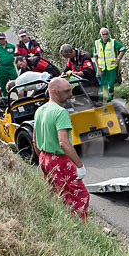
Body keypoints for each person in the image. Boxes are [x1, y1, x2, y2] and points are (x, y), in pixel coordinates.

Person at [32, 77, 89, 222]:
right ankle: (79, 228)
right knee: (80, 195)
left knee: (57, 194)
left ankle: (61, 223)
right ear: (54, 91)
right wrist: (79, 165)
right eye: (66, 91)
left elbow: (35, 140)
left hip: (45, 157)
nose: (70, 94)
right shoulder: (60, 112)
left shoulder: (40, 110)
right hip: (60, 160)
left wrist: (42, 159)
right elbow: (63, 142)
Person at [93, 27, 126, 101]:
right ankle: (100, 98)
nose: (105, 36)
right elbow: (95, 56)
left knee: (110, 84)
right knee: (100, 84)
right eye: (103, 34)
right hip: (101, 68)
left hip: (111, 67)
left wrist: (118, 59)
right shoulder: (97, 43)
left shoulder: (113, 42)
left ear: (108, 34)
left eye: (106, 34)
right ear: (100, 35)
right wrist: (97, 68)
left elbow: (123, 49)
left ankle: (110, 96)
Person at [0, 32, 17, 96]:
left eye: (2, 39)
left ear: (5, 38)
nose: (1, 40)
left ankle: (20, 97)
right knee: (3, 85)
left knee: (16, 83)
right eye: (0, 39)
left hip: (11, 67)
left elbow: (16, 55)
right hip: (1, 68)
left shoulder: (11, 46)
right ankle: (6, 99)